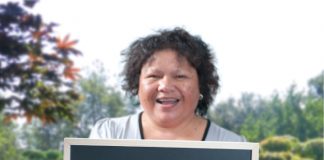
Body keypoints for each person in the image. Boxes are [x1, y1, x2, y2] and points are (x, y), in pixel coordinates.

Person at [89, 27, 245, 141]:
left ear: (201, 86)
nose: (165, 86)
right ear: (137, 84)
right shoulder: (109, 134)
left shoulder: (232, 146)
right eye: (154, 75)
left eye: (180, 76)